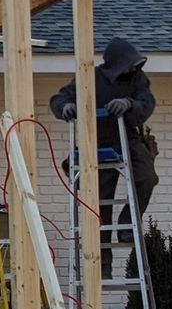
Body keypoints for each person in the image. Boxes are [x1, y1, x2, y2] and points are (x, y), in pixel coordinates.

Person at [51, 36, 157, 277]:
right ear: (116, 64)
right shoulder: (90, 77)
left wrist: (129, 103)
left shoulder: (138, 79)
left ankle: (127, 224)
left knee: (147, 177)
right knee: (100, 204)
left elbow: (147, 103)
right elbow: (60, 98)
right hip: (96, 142)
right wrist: (65, 107)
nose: (132, 68)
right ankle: (103, 266)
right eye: (128, 64)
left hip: (128, 138)